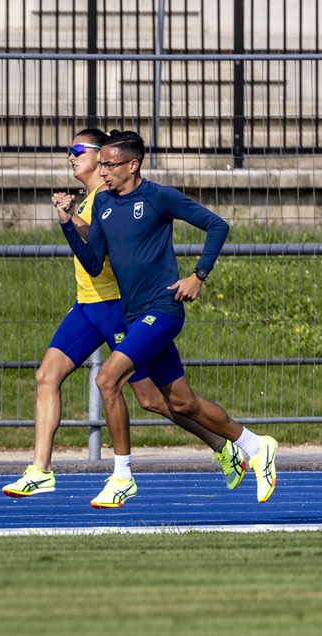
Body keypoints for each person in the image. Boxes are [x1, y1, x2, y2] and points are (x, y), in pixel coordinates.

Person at [3, 129, 244, 501]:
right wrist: (69, 219)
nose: (72, 156)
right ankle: (41, 470)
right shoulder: (91, 198)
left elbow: (112, 249)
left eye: (79, 149)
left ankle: (221, 444)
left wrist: (197, 274)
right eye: (72, 151)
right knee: (46, 375)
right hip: (87, 306)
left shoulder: (114, 193)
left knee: (153, 399)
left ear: (106, 159)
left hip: (118, 306)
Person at [62, 130, 277, 507]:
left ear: (133, 164)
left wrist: (198, 275)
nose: (103, 170)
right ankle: (256, 446)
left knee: (107, 377)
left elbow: (217, 225)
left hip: (162, 311)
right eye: (103, 164)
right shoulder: (104, 206)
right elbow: (95, 264)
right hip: (133, 315)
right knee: (181, 404)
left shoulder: (158, 196)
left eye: (110, 164)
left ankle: (122, 476)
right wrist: (67, 224)